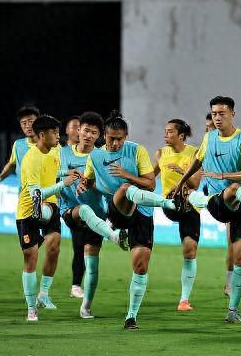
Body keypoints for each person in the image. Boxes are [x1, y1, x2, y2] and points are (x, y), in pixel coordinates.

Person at [77, 111, 179, 329]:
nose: (115, 143)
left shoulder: (136, 151)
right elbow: (90, 181)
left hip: (142, 213)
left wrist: (127, 174)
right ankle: (167, 204)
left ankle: (131, 317)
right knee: (124, 189)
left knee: (140, 266)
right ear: (104, 135)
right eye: (111, 138)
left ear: (126, 137)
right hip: (117, 209)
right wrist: (84, 184)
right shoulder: (95, 156)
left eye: (119, 139)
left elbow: (150, 184)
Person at [175, 96, 241, 324]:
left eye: (222, 113)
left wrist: (222, 175)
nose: (217, 117)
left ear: (232, 114)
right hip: (218, 202)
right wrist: (182, 182)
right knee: (232, 189)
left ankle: (233, 310)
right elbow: (198, 160)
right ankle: (197, 198)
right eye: (214, 114)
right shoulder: (209, 137)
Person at [58, 112, 126, 319]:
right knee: (83, 210)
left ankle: (86, 307)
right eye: (86, 130)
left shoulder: (100, 156)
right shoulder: (62, 153)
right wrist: (64, 179)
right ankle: (114, 236)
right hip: (70, 210)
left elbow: (109, 189)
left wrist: (91, 183)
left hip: (97, 217)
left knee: (92, 264)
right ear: (78, 130)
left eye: (93, 133)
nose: (88, 135)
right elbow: (50, 176)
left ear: (99, 136)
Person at [17, 115, 77, 321]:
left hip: (50, 205)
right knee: (31, 257)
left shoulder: (54, 150)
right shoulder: (31, 158)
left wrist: (66, 172)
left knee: (53, 248)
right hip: (29, 211)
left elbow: (51, 170)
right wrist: (63, 184)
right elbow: (35, 195)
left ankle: (43, 294)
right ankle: (31, 307)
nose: (58, 136)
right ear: (42, 135)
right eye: (54, 132)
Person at [153, 119, 201, 311]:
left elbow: (195, 184)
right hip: (170, 204)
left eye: (170, 132)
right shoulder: (161, 153)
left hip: (189, 207)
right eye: (165, 131)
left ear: (181, 135)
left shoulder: (195, 153)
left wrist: (183, 172)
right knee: (175, 194)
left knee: (190, 250)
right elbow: (150, 177)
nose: (166, 135)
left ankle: (184, 300)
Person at [60, 115, 86, 299]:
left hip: (90, 205)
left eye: (80, 128)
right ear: (67, 131)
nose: (78, 131)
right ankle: (76, 285)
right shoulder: (61, 152)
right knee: (79, 244)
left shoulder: (91, 153)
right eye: (75, 127)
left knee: (87, 247)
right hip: (69, 206)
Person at [0, 106, 40, 186]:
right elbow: (12, 165)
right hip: (23, 193)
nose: (28, 126)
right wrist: (0, 178)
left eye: (31, 121)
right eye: (24, 123)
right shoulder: (18, 145)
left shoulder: (51, 145)